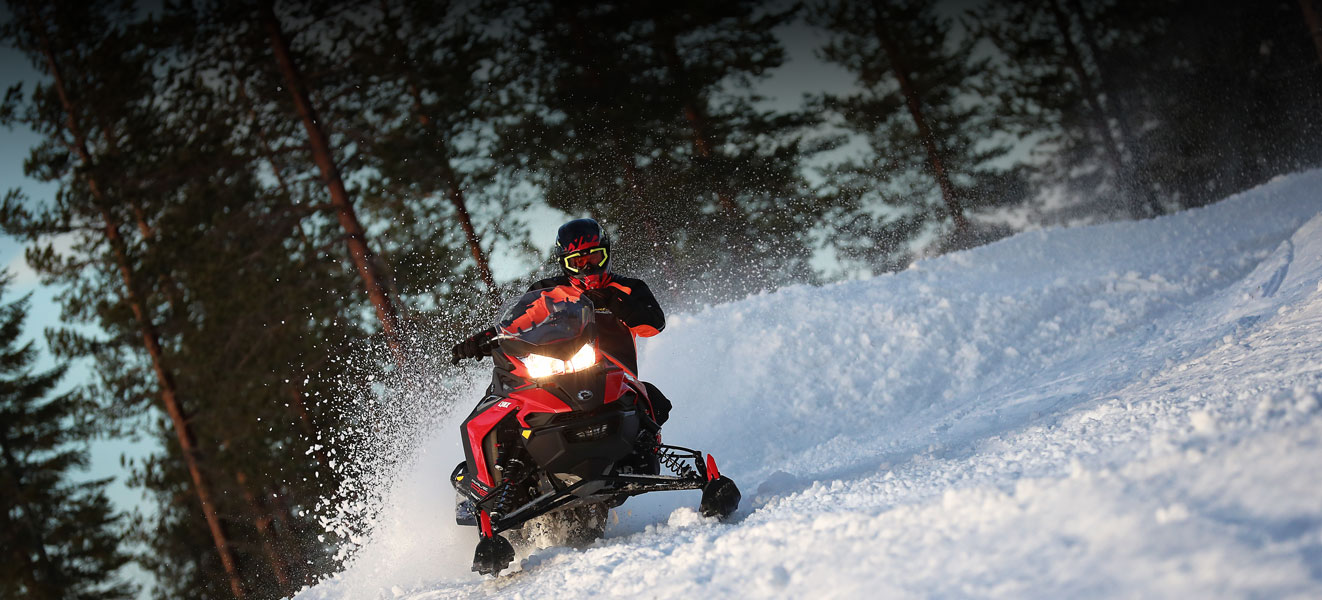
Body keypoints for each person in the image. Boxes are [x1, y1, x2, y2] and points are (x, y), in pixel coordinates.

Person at [451, 217, 673, 423]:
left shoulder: (629, 288)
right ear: (565, 264)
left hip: (614, 376)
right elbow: (514, 324)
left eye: (593, 258)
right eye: (577, 262)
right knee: (502, 398)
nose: (587, 267)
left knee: (653, 401)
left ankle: (652, 455)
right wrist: (483, 339)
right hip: (557, 376)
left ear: (606, 254)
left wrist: (615, 302)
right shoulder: (548, 292)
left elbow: (653, 326)